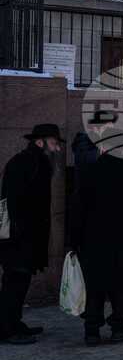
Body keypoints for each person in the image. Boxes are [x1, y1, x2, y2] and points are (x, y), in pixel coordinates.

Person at [71, 115, 123, 346]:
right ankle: (119, 327)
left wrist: (75, 240)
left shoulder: (90, 171)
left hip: (93, 240)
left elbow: (78, 208)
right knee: (121, 284)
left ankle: (92, 331)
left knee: (94, 286)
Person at [0, 123, 62, 345]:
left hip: (26, 237)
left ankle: (14, 323)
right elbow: (9, 203)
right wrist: (13, 236)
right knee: (14, 282)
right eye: (54, 144)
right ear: (40, 142)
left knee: (20, 281)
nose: (57, 149)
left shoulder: (36, 162)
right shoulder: (23, 163)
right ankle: (6, 329)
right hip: (18, 238)